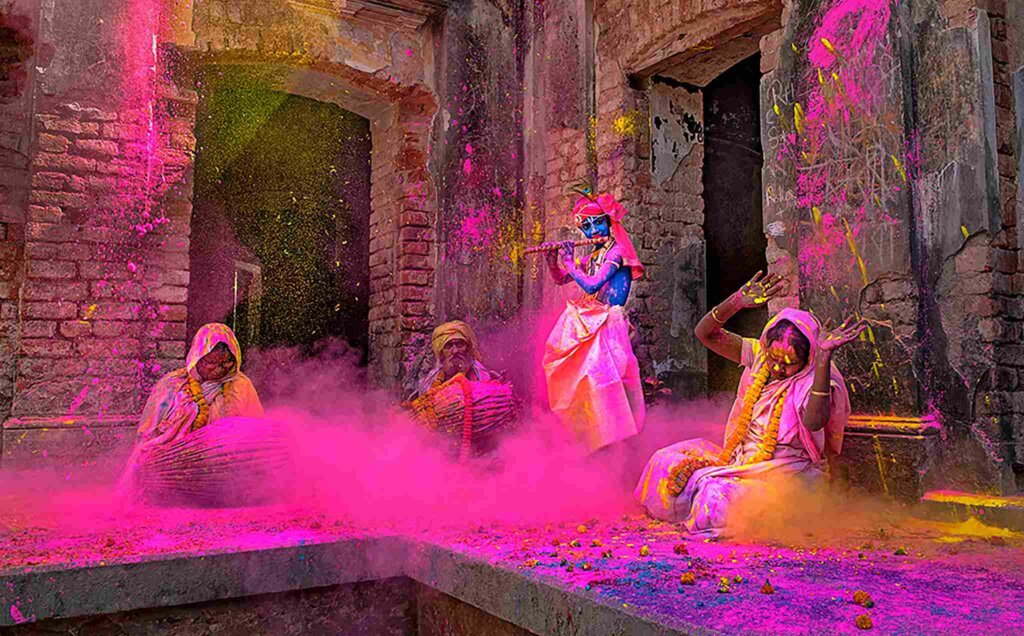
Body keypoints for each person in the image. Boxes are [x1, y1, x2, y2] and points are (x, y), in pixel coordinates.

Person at [634, 272, 863, 536]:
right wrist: (736, 302)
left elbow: (814, 422)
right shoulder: (757, 356)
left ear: (807, 358)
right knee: (664, 461)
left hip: (785, 473)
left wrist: (823, 358)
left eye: (789, 364)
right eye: (773, 357)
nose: (777, 367)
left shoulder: (813, 378)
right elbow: (704, 333)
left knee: (715, 495)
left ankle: (702, 509)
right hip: (739, 459)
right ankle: (693, 507)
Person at [542, 190, 646, 453]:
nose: (591, 230)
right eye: (585, 226)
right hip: (592, 322)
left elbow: (591, 285)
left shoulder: (616, 252)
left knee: (605, 388)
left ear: (609, 222)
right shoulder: (595, 254)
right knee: (583, 389)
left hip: (609, 325)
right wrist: (553, 263)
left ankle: (615, 451)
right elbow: (561, 279)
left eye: (597, 222)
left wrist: (569, 262)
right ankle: (589, 446)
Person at [117, 323, 264, 497]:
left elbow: (257, 434)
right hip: (174, 471)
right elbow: (148, 434)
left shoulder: (241, 385)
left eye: (226, 362)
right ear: (197, 357)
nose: (219, 368)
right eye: (211, 362)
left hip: (226, 474)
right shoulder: (172, 385)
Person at [415, 320, 498, 398]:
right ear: (441, 352)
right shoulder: (431, 382)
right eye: (448, 346)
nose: (455, 351)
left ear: (468, 348)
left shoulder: (482, 376)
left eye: (460, 344)